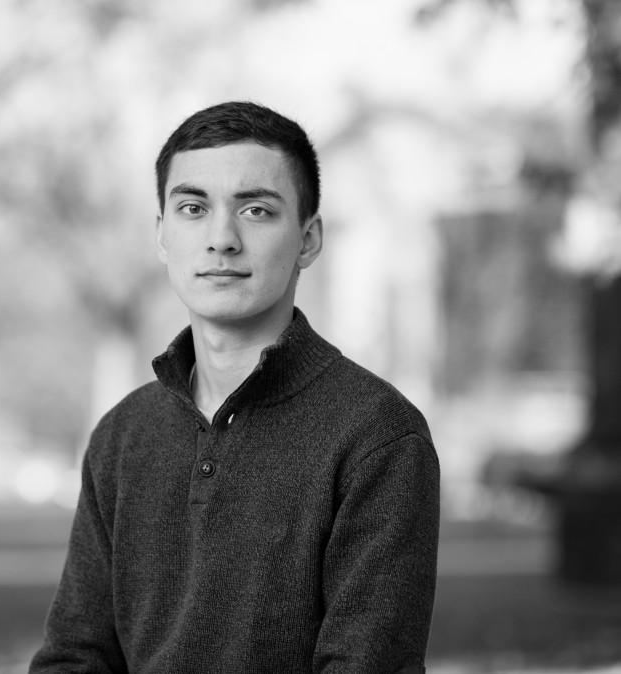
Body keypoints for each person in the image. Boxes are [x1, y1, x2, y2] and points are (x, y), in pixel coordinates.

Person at [29, 101, 440, 673]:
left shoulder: (378, 436)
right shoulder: (122, 434)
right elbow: (76, 656)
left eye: (255, 209)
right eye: (193, 208)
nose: (221, 238)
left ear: (308, 239)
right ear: (162, 236)